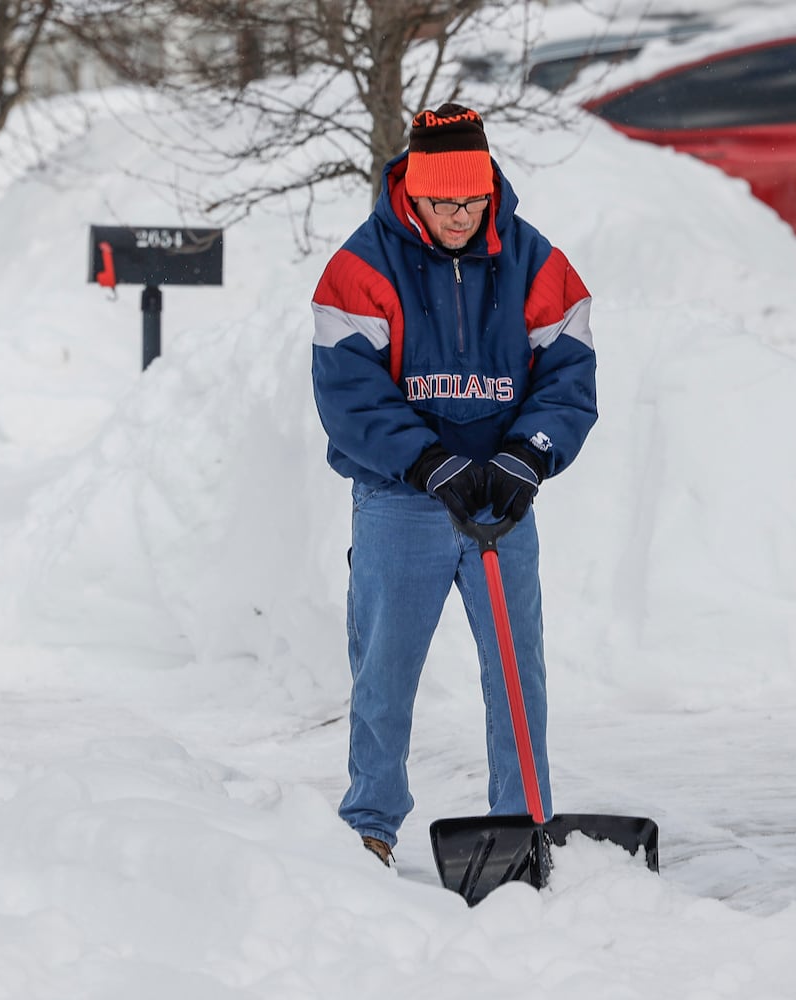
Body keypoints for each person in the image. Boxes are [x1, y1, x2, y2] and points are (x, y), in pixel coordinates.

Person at [310, 103, 597, 869]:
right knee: (385, 669)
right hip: (401, 500)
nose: (460, 217)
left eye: (472, 202)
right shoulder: (360, 267)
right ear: (413, 194)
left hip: (503, 498)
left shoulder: (536, 262)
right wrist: (427, 463)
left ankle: (522, 821)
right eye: (443, 204)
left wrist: (525, 458)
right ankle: (370, 823)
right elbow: (347, 395)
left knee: (515, 671)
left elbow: (569, 376)